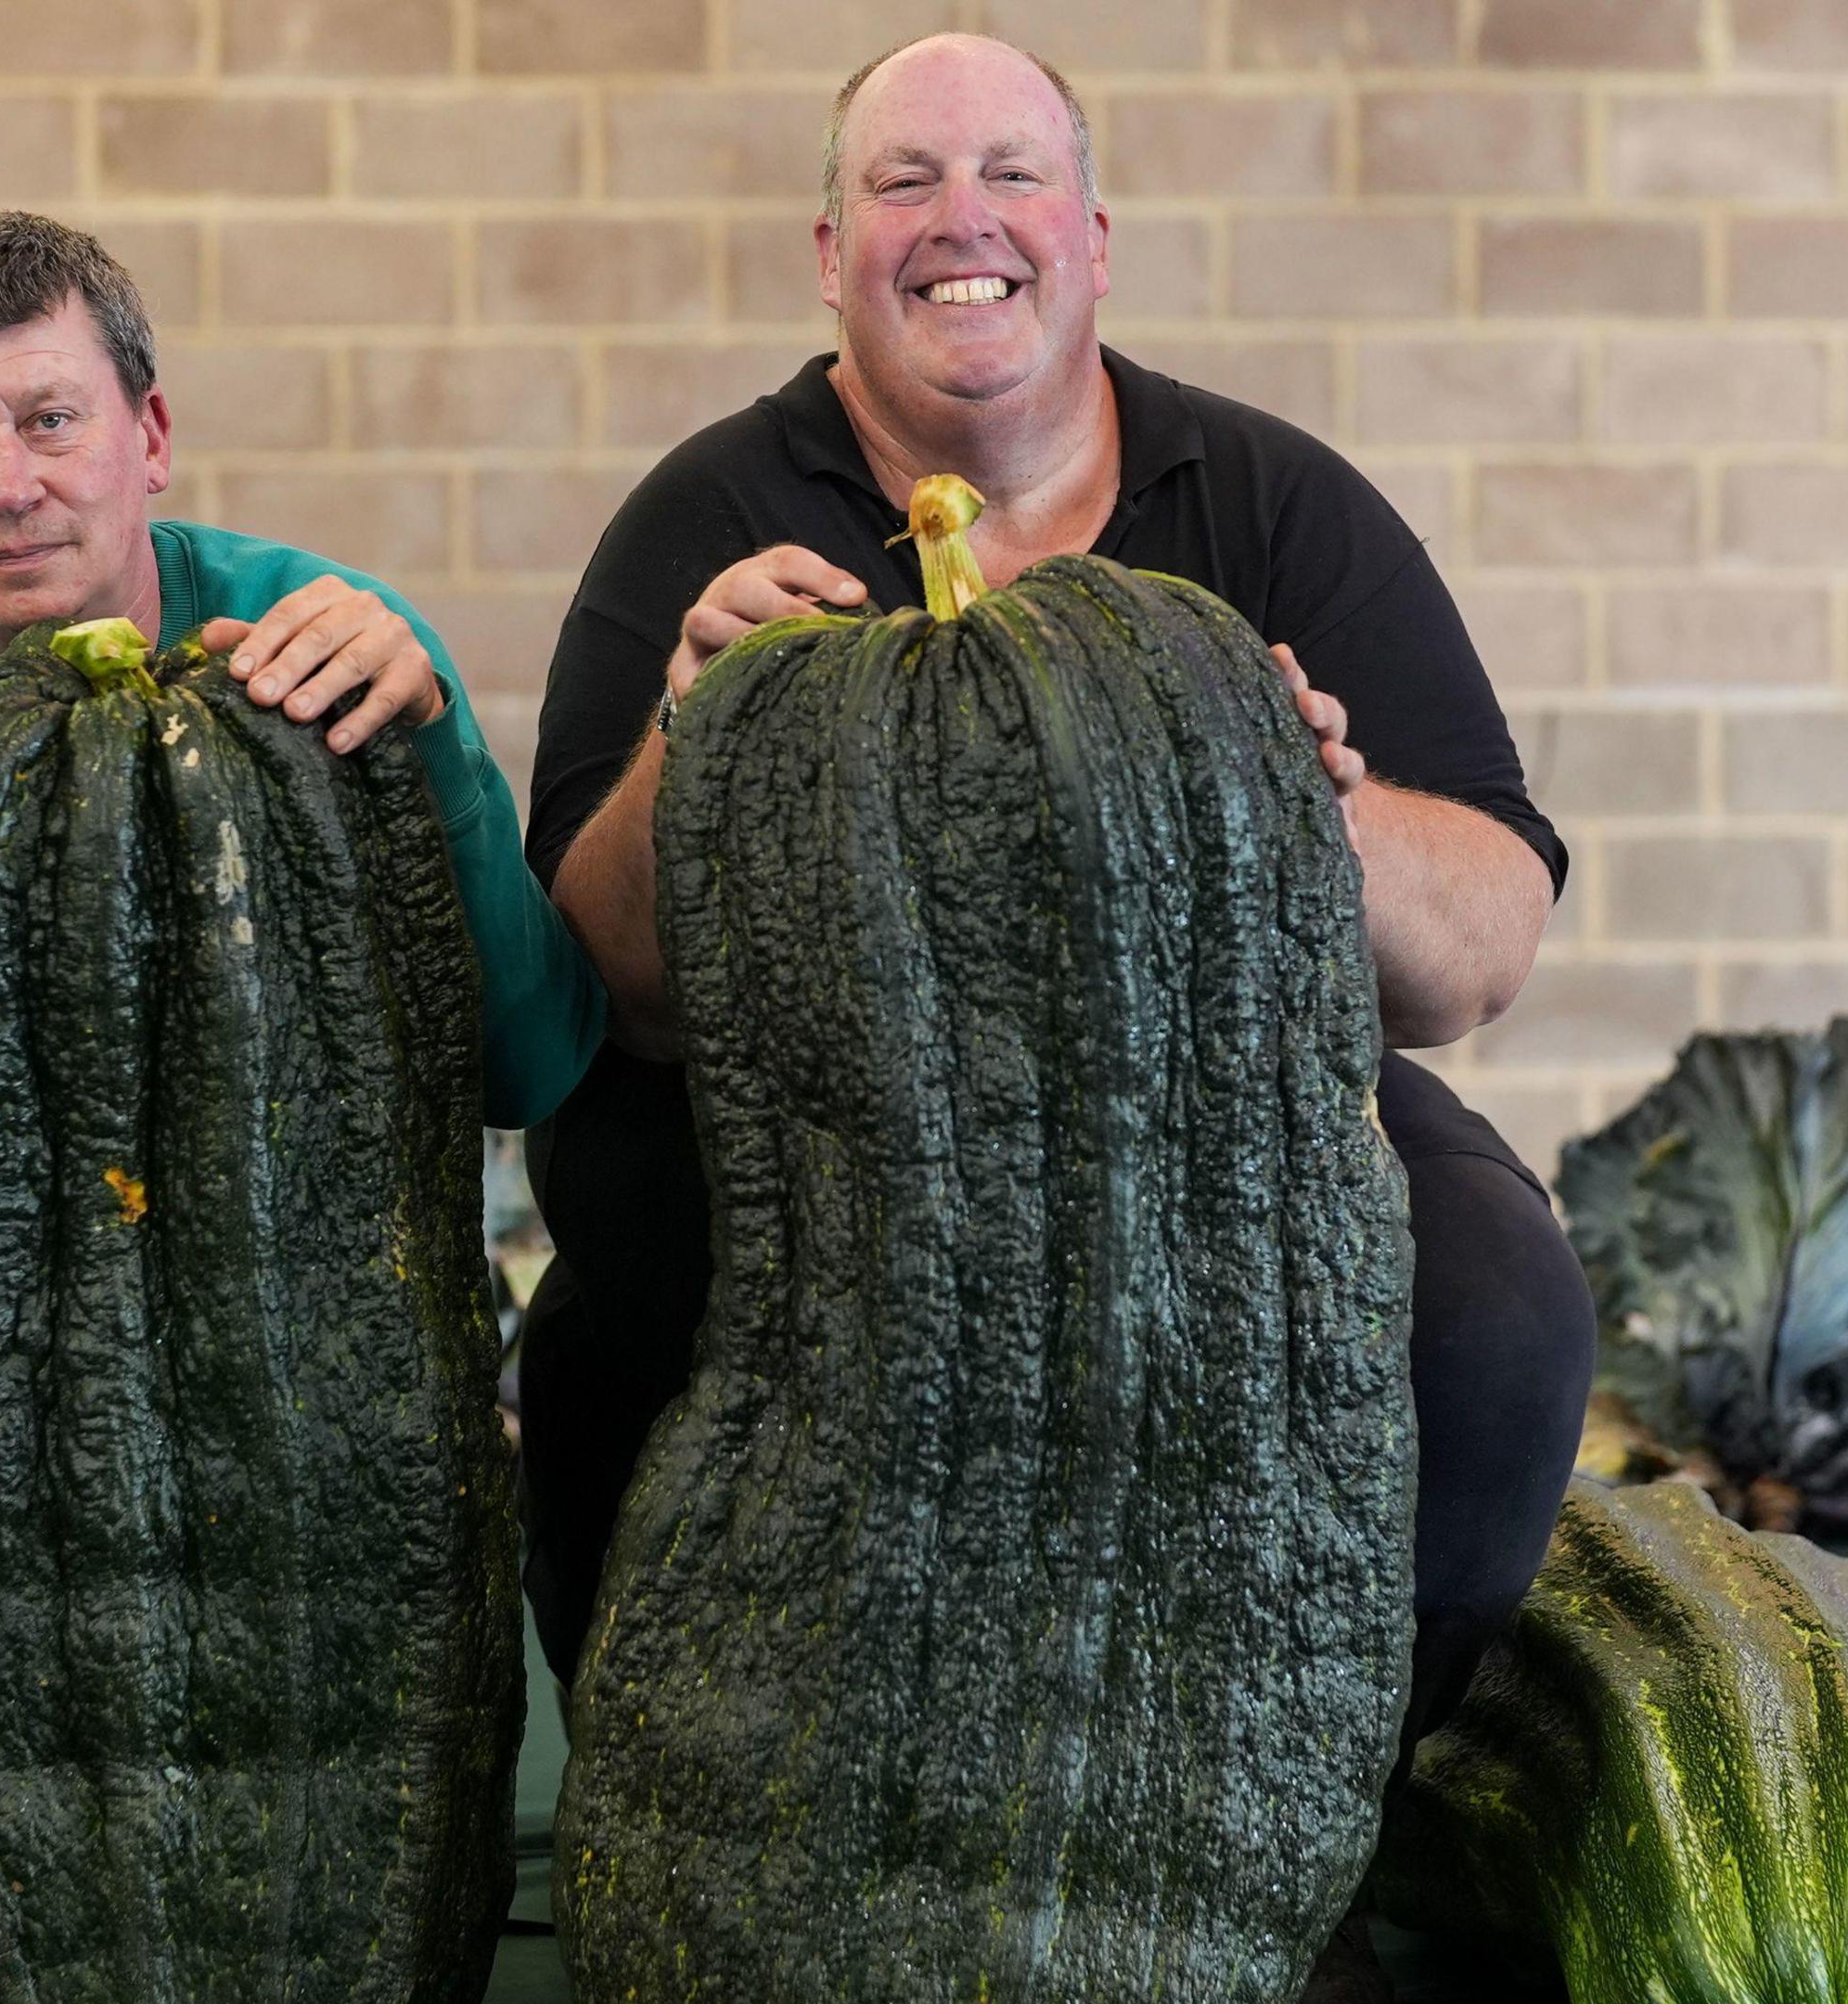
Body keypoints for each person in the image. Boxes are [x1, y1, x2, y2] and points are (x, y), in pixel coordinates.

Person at [520, 32, 1595, 1756]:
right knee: (630, 1287)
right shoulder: (711, 512)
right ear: (829, 255)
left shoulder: (1266, 502)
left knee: (1492, 1316)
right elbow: (607, 982)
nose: (968, 220)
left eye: (1016, 175)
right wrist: (682, 736)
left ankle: (1313, 1807)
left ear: (1095, 234)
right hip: (813, 1105)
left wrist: (1311, 809)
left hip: (1211, 1102)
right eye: (905, 180)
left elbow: (1478, 959)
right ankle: (717, 1776)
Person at [0, 212, 605, 1565]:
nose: (5, 484)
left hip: (325, 1417)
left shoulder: (324, 649)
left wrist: (433, 752)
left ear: (149, 438)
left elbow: (535, 1058)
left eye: (51, 420)